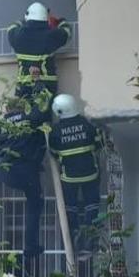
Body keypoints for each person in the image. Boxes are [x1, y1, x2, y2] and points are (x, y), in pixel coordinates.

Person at [0, 93, 50, 257]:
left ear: (7, 109)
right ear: (22, 107)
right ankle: (30, 247)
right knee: (34, 205)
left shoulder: (0, 125)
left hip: (7, 173)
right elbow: (42, 120)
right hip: (28, 173)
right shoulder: (28, 117)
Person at [48, 93, 102, 259]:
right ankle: (90, 239)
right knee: (91, 205)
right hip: (90, 174)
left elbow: (54, 154)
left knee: (70, 206)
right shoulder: (87, 125)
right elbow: (99, 145)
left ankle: (73, 237)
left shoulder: (55, 131)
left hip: (68, 177)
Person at [7, 2, 72, 100]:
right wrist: (60, 21)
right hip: (46, 85)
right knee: (44, 113)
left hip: (23, 86)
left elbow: (11, 27)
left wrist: (23, 22)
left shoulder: (17, 36)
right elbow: (67, 31)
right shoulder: (50, 36)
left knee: (24, 113)